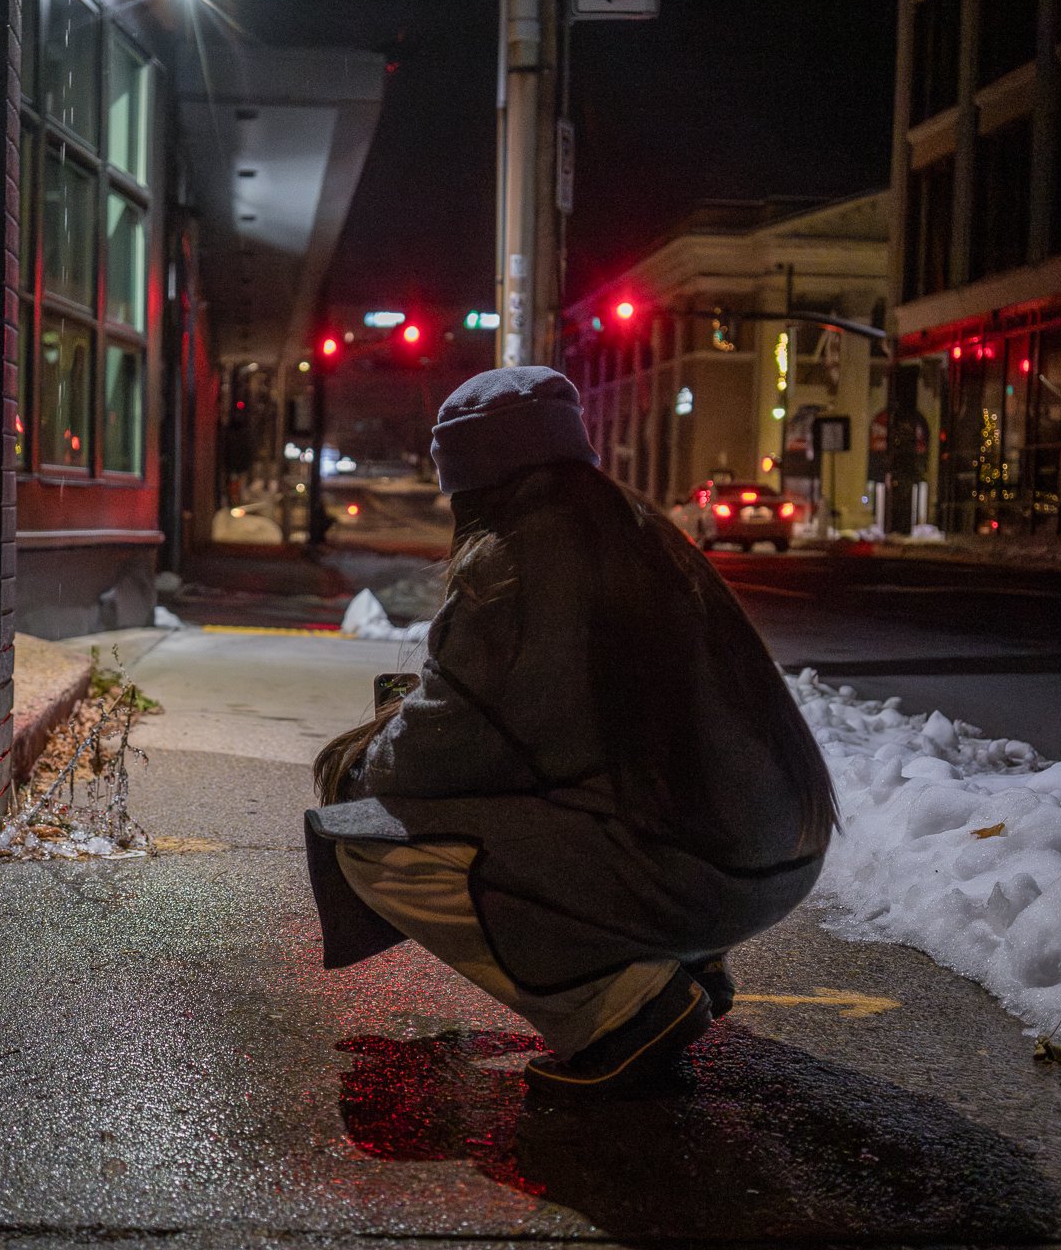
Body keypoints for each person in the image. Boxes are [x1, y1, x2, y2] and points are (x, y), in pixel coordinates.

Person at [304, 365, 836, 1095]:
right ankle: (679, 963)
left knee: (364, 836)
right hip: (775, 859)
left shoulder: (513, 566)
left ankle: (618, 1012)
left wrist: (356, 762)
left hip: (701, 875)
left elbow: (427, 760)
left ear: (472, 481)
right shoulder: (644, 535)